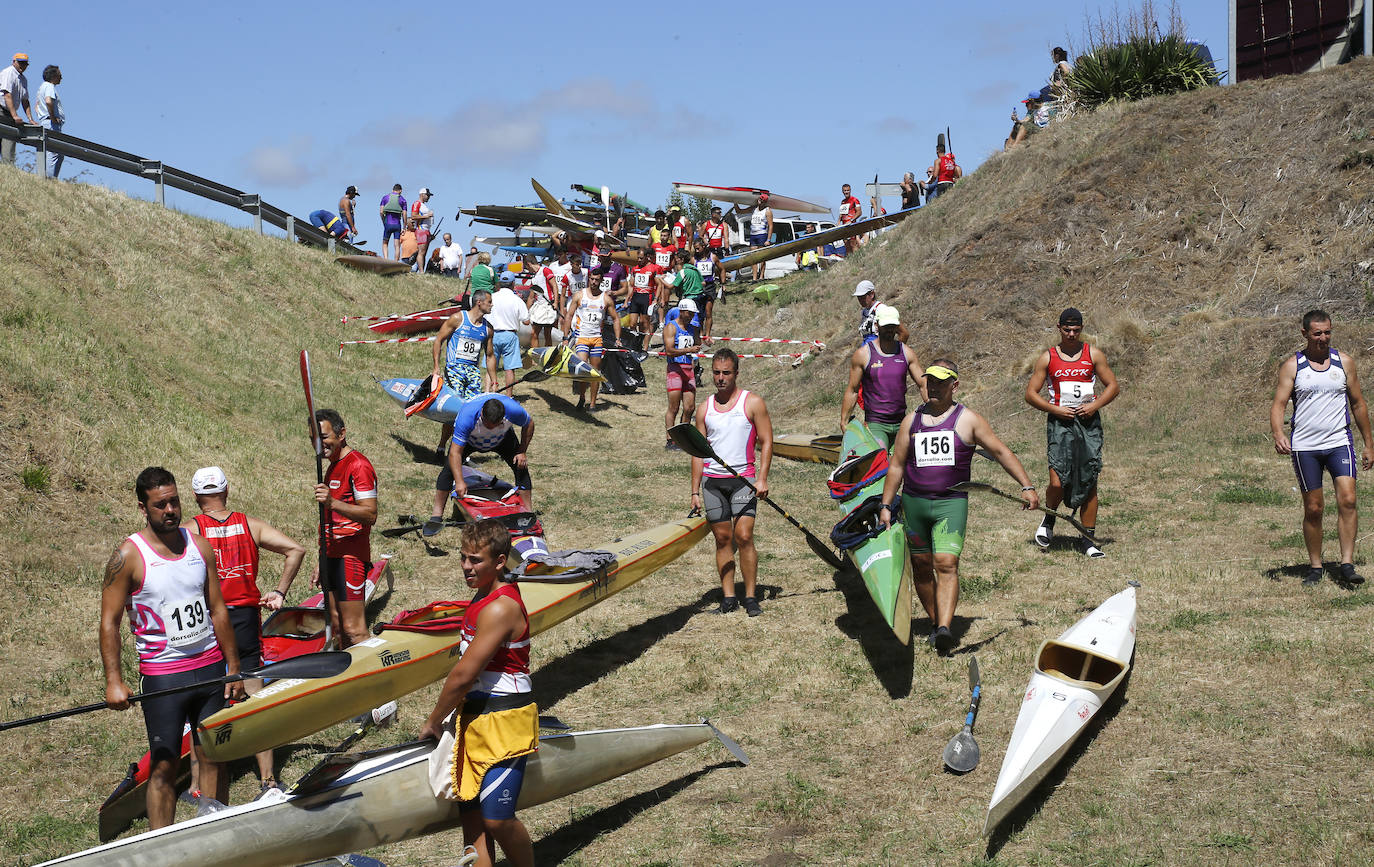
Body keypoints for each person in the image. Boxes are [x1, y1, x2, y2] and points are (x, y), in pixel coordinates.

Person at [100, 467, 244, 829]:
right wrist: (113, 681)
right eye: (160, 504)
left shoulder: (199, 545)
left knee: (214, 755)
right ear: (143, 508)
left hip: (210, 667)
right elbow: (109, 623)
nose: (170, 510)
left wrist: (233, 665)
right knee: (164, 764)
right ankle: (161, 846)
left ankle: (213, 833)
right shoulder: (129, 556)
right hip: (164, 677)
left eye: (174, 501)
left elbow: (218, 609)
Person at [880, 362, 1039, 652]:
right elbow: (897, 465)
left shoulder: (969, 420)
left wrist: (1026, 485)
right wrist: (886, 504)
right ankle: (934, 622)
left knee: (946, 563)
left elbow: (1001, 451)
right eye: (930, 382)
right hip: (914, 503)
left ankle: (944, 627)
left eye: (941, 382)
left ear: (955, 386)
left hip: (950, 505)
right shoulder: (910, 421)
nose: (934, 387)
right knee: (921, 565)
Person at [420, 519, 538, 867]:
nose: (467, 568)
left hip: (505, 718)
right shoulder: (483, 594)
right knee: (469, 808)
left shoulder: (501, 606)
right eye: (463, 558)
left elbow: (463, 675)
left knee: (497, 818)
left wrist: (433, 720)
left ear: (500, 562)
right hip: (475, 713)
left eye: (476, 560)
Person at [183, 466, 305, 796]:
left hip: (207, 622)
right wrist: (278, 592)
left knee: (202, 701)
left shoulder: (190, 530)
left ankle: (196, 784)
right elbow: (296, 550)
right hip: (245, 620)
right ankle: (267, 780)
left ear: (195, 497)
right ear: (226, 491)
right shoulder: (249, 524)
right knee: (255, 695)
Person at [1270, 309, 1373, 586]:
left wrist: (1368, 444)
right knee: (1314, 508)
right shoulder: (1294, 366)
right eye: (1317, 333)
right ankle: (1315, 567)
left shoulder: (1344, 363)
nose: (1323, 338)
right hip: (1306, 446)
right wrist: (1279, 433)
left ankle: (1347, 565)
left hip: (1339, 443)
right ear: (1304, 333)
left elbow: (1358, 404)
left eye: (1327, 332)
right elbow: (1279, 404)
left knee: (1349, 500)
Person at [1024, 307, 1121, 558]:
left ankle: (1088, 540)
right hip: (1060, 425)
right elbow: (1031, 394)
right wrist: (1054, 409)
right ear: (1059, 328)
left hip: (1088, 424)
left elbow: (1113, 386)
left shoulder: (1093, 354)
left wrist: (1094, 406)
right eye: (1066, 329)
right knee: (1057, 480)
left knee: (1089, 483)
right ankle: (1049, 521)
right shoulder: (1048, 357)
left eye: (1076, 330)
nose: (1071, 334)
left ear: (1081, 329)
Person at [690, 348, 773, 616]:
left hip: (743, 482)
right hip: (713, 483)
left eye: (726, 373)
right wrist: (694, 491)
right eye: (716, 373)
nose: (721, 378)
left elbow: (767, 441)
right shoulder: (704, 409)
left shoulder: (752, 403)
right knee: (723, 539)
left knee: (744, 536)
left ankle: (750, 597)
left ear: (736, 373)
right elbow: (697, 452)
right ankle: (728, 597)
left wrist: (762, 478)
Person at [312, 409, 378, 647]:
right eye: (314, 439)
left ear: (342, 434)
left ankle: (371, 679)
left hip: (350, 555)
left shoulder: (358, 465)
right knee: (338, 626)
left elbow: (370, 514)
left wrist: (333, 503)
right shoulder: (332, 465)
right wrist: (322, 556)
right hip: (331, 554)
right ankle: (349, 678)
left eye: (324, 437)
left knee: (354, 629)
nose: (319, 444)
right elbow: (330, 519)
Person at [427, 394, 537, 535]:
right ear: (481, 415)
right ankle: (436, 516)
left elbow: (529, 424)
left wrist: (522, 451)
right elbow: (455, 453)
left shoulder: (513, 410)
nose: (490, 428)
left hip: (502, 439)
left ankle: (528, 513)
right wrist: (460, 481)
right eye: (487, 425)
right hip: (471, 441)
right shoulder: (467, 416)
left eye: (494, 425)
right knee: (448, 470)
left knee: (521, 467)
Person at [840, 305, 924, 448]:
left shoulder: (907, 353)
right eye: (886, 326)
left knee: (905, 465)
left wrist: (938, 414)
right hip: (876, 423)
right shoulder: (863, 355)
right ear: (877, 325)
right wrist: (844, 420)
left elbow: (923, 384)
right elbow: (853, 390)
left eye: (892, 326)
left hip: (900, 421)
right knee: (881, 463)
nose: (889, 330)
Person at [561, 267, 621, 411]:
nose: (594, 282)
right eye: (592, 279)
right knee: (582, 367)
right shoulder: (579, 295)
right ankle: (582, 397)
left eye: (597, 280)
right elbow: (569, 315)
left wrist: (618, 338)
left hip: (596, 339)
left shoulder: (606, 299)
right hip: (581, 337)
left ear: (601, 281)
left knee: (595, 372)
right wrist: (565, 336)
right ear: (589, 279)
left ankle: (593, 403)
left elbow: (616, 319)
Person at [434, 291, 499, 406]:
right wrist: (436, 367)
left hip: (473, 371)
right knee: (456, 406)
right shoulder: (457, 318)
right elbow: (438, 340)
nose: (492, 305)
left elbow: (490, 356)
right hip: (454, 368)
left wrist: (494, 381)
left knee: (472, 407)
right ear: (479, 302)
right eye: (489, 302)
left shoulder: (488, 328)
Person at [664, 296, 703, 449]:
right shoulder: (671, 327)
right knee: (674, 407)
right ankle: (669, 439)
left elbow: (697, 343)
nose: (692, 316)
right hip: (675, 369)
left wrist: (705, 344)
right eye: (690, 314)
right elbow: (669, 350)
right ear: (682, 311)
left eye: (693, 314)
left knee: (689, 407)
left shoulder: (692, 328)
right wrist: (689, 350)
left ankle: (683, 438)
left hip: (688, 369)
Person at [489, 275, 531, 393]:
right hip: (509, 335)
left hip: (492, 334)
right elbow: (526, 321)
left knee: (490, 367)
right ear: (513, 283)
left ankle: (487, 392)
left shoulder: (491, 297)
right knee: (510, 369)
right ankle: (508, 396)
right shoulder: (516, 299)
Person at [0, 53, 34, 166]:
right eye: (20, 63)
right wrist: (15, 115)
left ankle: (8, 168)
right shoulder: (9, 72)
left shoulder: (23, 79)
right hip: (2, 110)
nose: (22, 65)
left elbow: (25, 100)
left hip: (9, 112)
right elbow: (7, 94)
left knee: (9, 142)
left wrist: (30, 118)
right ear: (14, 61)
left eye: (25, 64)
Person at [853, 280, 909, 345]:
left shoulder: (882, 310)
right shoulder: (865, 312)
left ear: (872, 294)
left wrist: (896, 352)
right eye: (858, 297)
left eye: (863, 297)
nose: (860, 300)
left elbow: (904, 333)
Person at [628, 248, 662, 351]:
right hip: (636, 297)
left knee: (644, 324)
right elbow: (631, 284)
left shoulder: (652, 268)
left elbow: (659, 284)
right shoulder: (635, 268)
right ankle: (635, 343)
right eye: (637, 258)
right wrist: (627, 298)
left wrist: (656, 299)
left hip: (647, 297)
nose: (639, 260)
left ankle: (645, 347)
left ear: (647, 257)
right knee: (632, 324)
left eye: (641, 258)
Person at [35, 64, 63, 178]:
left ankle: (46, 177)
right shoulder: (49, 86)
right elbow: (48, 101)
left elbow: (36, 106)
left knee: (53, 152)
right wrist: (52, 118)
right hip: (51, 123)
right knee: (55, 152)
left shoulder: (42, 87)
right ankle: (50, 179)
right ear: (54, 76)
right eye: (60, 75)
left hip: (45, 122)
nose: (61, 77)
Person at [746, 194, 773, 282]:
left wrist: (768, 239)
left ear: (765, 202)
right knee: (753, 257)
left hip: (762, 235)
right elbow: (740, 211)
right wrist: (735, 203)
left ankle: (761, 276)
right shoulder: (753, 208)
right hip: (753, 235)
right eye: (760, 199)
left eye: (762, 200)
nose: (760, 201)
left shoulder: (767, 211)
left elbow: (771, 226)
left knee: (762, 257)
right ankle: (754, 278)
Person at [411, 187, 436, 272]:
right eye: (427, 195)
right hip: (421, 230)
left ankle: (422, 270)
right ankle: (421, 271)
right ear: (422, 194)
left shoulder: (424, 205)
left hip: (426, 230)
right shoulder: (417, 203)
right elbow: (413, 216)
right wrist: (426, 216)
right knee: (421, 252)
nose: (428, 197)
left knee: (424, 252)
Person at [379, 184, 407, 260]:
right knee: (397, 245)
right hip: (397, 225)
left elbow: (381, 212)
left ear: (393, 190)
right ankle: (396, 262)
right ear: (400, 190)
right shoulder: (403, 200)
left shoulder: (385, 198)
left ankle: (386, 259)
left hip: (387, 223)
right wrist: (404, 227)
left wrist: (383, 222)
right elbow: (404, 215)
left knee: (385, 243)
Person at [838, 183, 863, 252]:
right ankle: (850, 261)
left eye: (848, 190)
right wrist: (838, 222)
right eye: (845, 190)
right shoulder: (843, 202)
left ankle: (857, 260)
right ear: (842, 191)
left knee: (853, 244)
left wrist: (851, 220)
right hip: (844, 226)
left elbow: (859, 212)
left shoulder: (854, 200)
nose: (846, 192)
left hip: (852, 225)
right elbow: (841, 214)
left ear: (850, 190)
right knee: (847, 245)